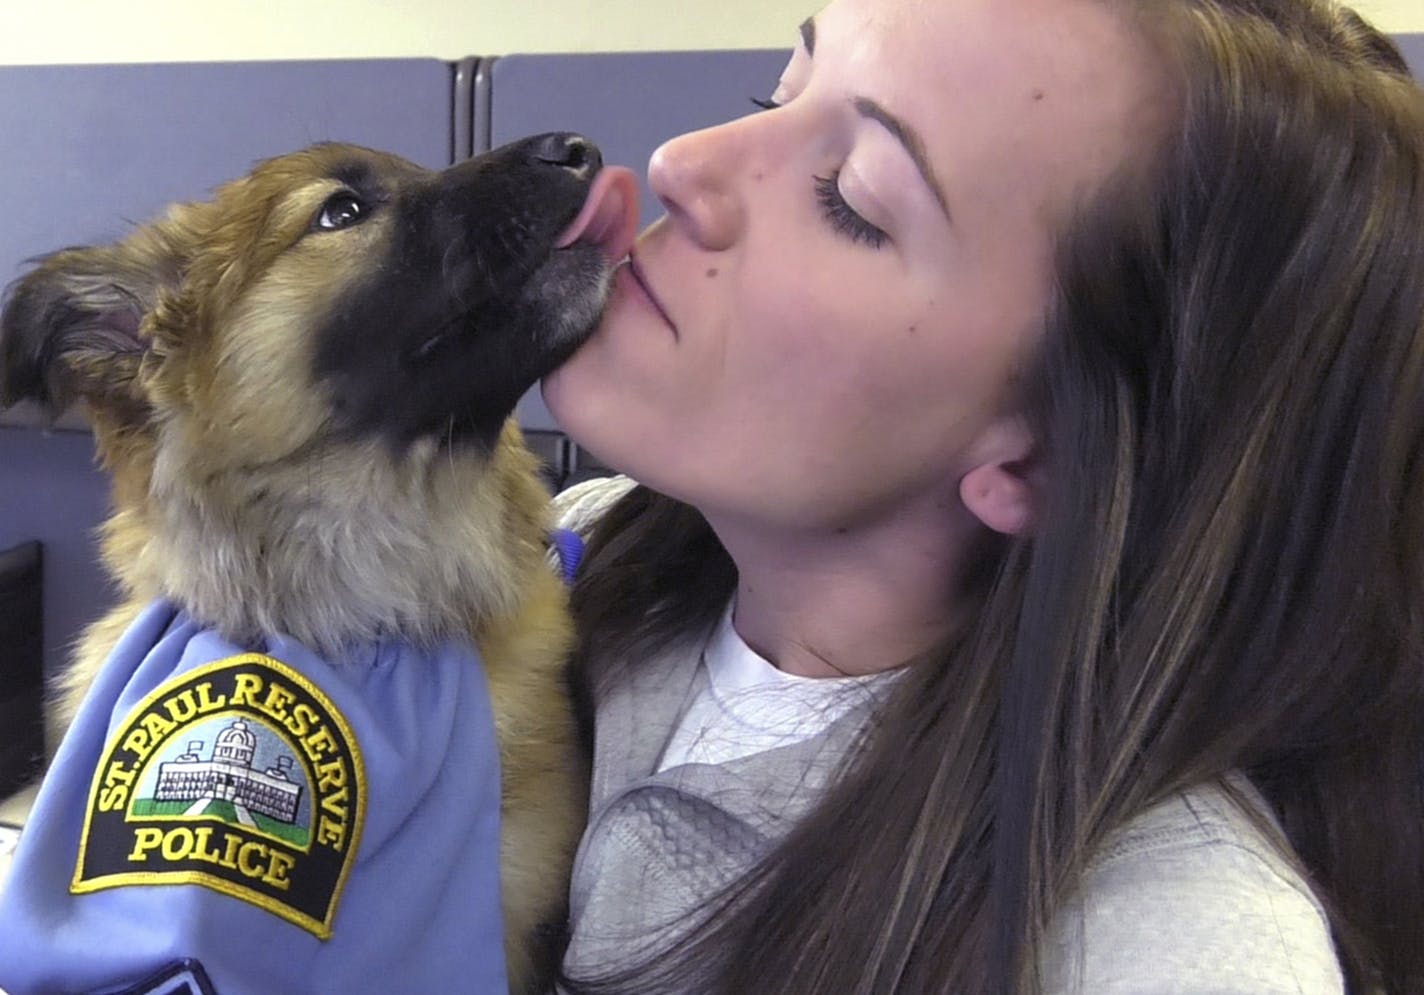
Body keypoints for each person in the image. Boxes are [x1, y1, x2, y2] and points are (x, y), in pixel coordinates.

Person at [539, 0, 1424, 991]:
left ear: (1044, 456)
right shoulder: (545, 568)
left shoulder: (1165, 942)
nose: (680, 161)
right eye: (779, 90)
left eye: (851, 198)